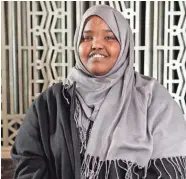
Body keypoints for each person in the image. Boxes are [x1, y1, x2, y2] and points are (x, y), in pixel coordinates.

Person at [11, 5, 186, 179]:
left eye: (109, 37)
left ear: (125, 45)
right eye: (86, 38)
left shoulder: (153, 101)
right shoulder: (49, 104)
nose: (96, 45)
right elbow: (28, 163)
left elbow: (170, 172)